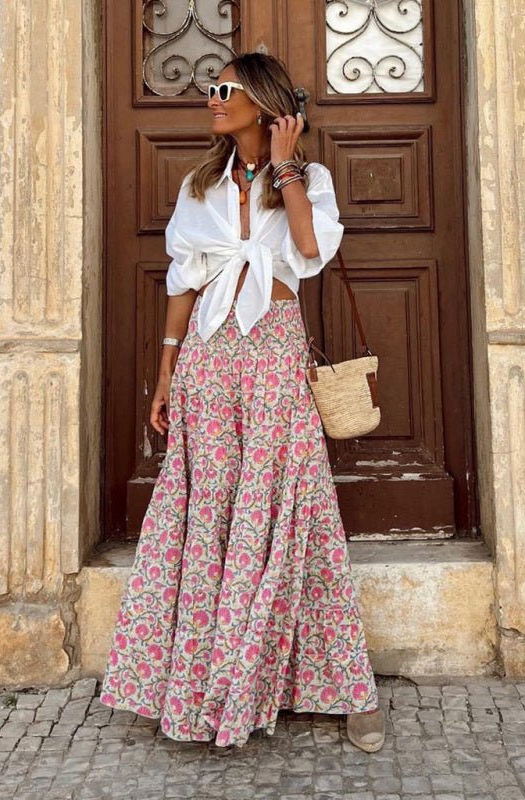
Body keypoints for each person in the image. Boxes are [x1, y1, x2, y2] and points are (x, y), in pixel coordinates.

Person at [100, 52, 386, 752]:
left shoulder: (308, 179)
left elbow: (311, 251)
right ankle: (206, 683)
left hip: (274, 355)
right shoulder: (199, 185)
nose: (211, 100)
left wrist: (286, 165)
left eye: (223, 90)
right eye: (211, 90)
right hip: (208, 359)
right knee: (211, 513)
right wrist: (166, 372)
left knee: (294, 509)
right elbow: (183, 282)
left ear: (261, 103)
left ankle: (344, 687)